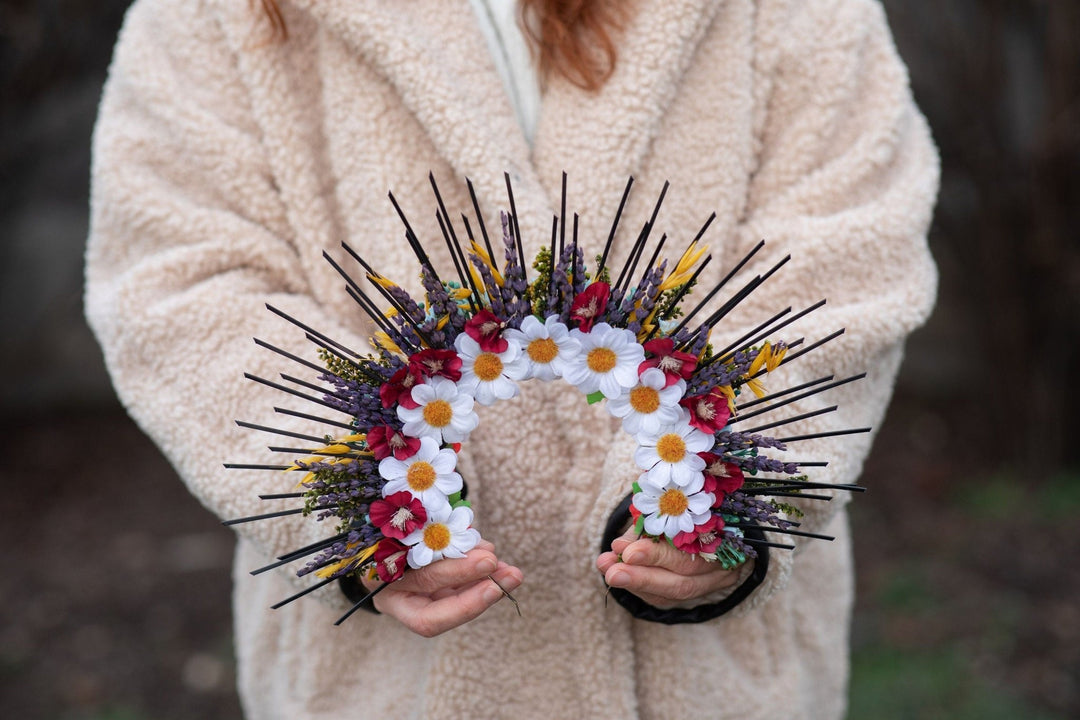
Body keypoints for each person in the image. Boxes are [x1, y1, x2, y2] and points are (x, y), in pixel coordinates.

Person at [85, 0, 938, 717]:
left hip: (709, 681)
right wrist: (361, 502)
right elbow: (180, 282)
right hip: (385, 684)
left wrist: (716, 499)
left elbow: (846, 256)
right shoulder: (206, 15)